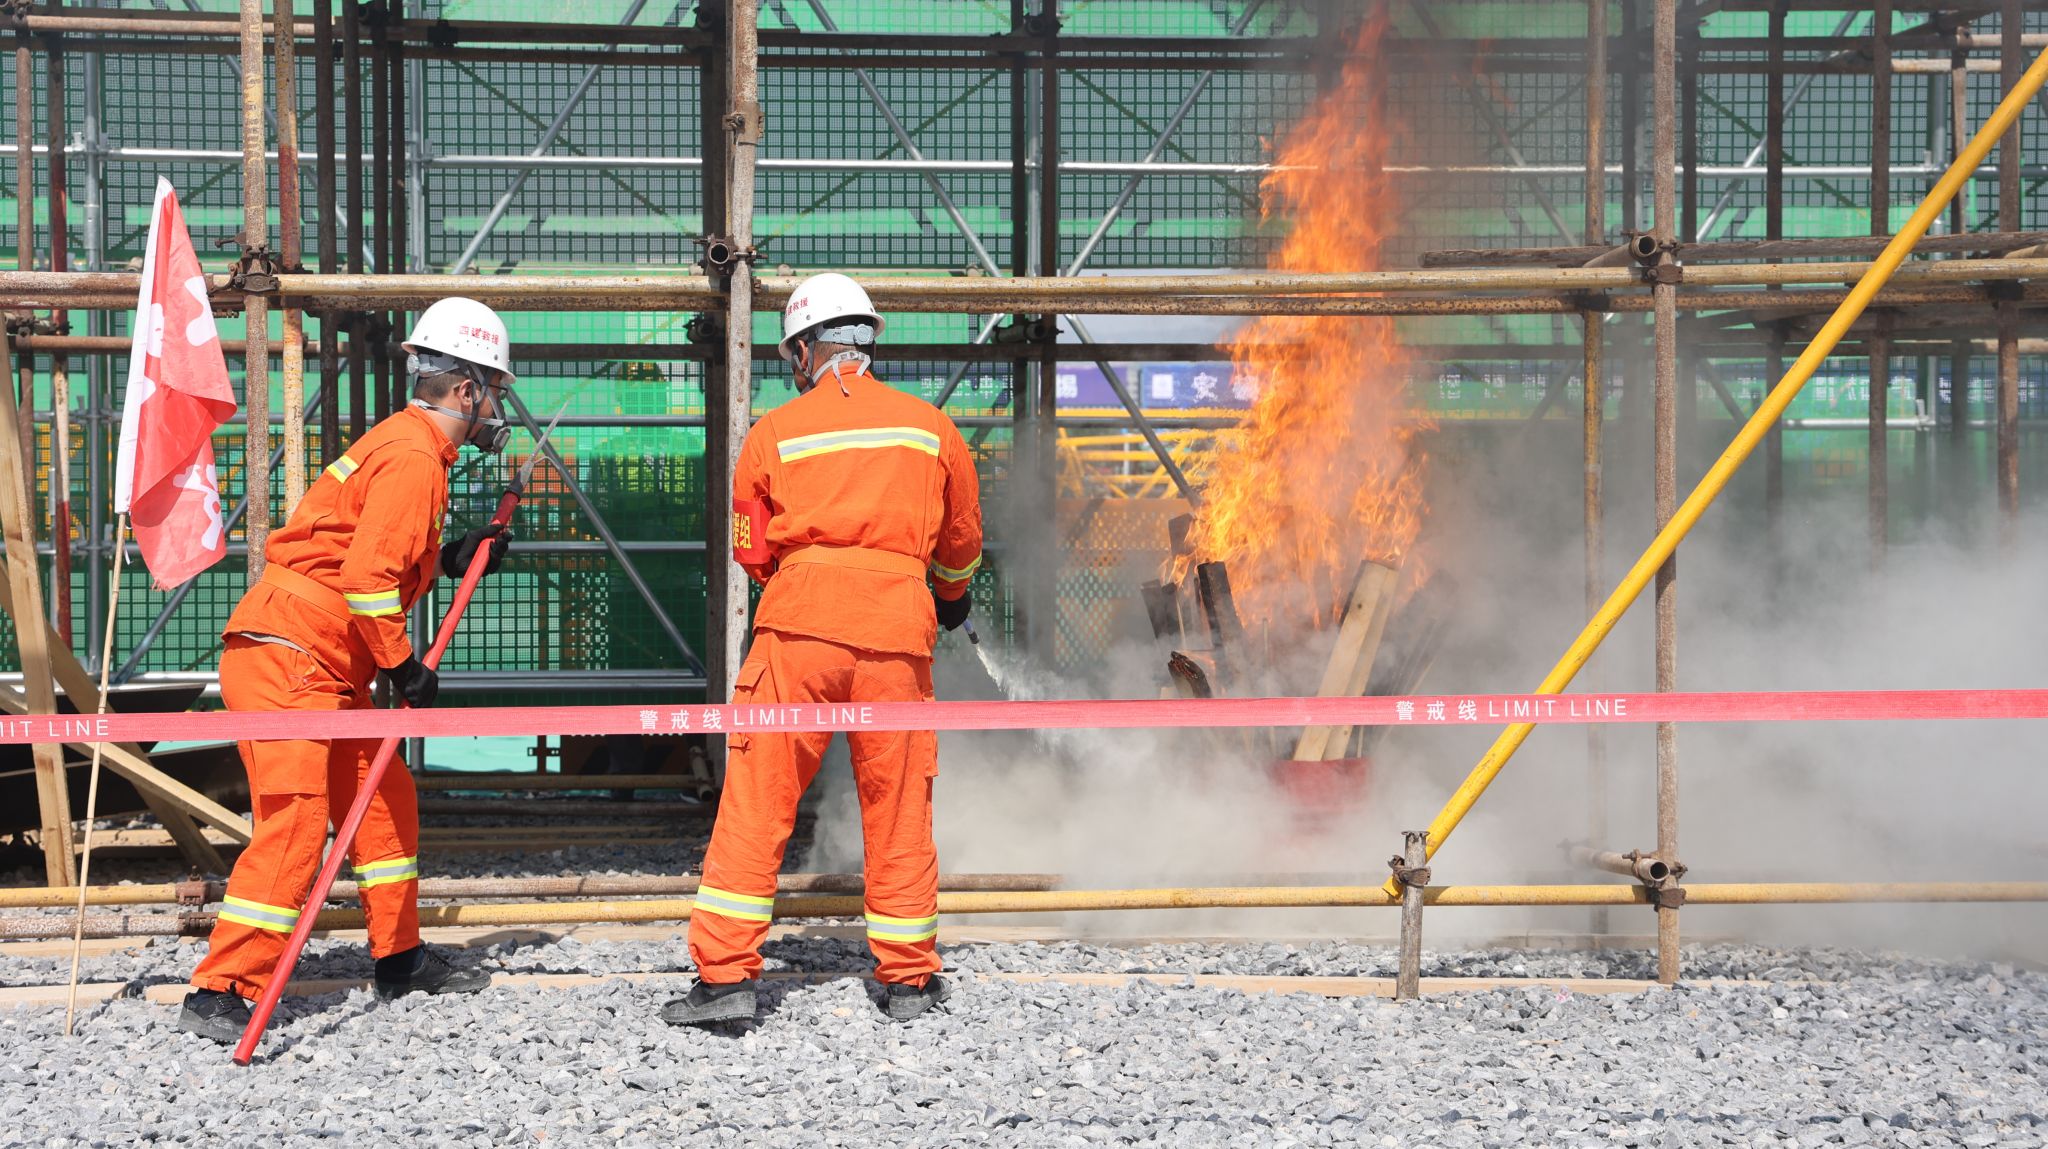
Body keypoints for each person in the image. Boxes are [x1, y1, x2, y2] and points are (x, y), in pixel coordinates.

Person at [179, 297, 519, 1042]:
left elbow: (361, 554)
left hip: (320, 663)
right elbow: (367, 579)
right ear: (467, 389)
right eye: (494, 389)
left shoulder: (404, 445)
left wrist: (451, 556)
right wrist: (403, 665)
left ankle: (399, 957)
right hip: (294, 659)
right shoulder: (415, 458)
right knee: (296, 825)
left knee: (384, 802)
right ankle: (222, 986)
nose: (497, 408)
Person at [663, 272, 983, 1026]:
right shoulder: (931, 429)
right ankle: (907, 979)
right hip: (897, 637)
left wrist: (799, 579)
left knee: (758, 799)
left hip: (797, 634)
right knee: (899, 806)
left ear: (806, 349)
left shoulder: (772, 433)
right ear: (868, 342)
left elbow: (750, 544)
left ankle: (725, 980)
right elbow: (963, 539)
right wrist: (950, 594)